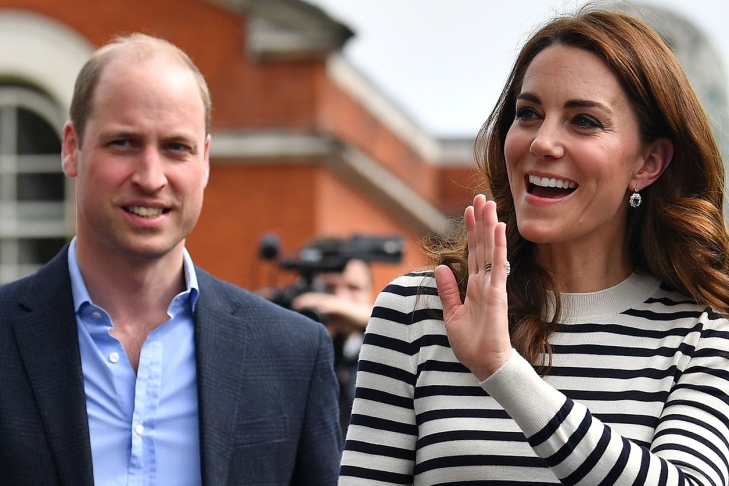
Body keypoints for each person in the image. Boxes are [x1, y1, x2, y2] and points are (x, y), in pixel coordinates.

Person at [339, 8, 729, 485]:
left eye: (583, 121)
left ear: (648, 163)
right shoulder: (416, 312)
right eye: (528, 114)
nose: (543, 142)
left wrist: (503, 370)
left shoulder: (703, 334)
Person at [0, 34, 342, 485]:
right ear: (71, 148)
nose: (150, 177)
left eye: (176, 147)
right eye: (124, 143)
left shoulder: (292, 354)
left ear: (205, 160)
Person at [292, 258, 374, 437]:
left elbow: (388, 318)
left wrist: (335, 306)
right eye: (330, 288)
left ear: (371, 292)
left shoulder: (380, 341)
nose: (340, 297)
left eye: (353, 288)